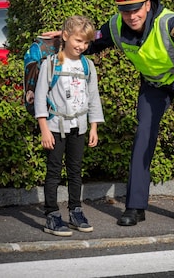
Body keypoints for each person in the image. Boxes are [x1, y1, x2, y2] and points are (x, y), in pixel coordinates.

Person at [44, 0, 174, 226]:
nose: (131, 16)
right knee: (143, 135)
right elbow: (92, 42)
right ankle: (135, 207)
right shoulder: (116, 26)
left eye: (136, 9)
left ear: (147, 5)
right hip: (154, 84)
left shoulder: (168, 22)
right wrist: (64, 41)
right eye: (125, 11)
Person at [35, 15, 105, 236]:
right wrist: (44, 128)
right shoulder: (51, 63)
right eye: (78, 41)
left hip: (79, 127)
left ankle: (75, 210)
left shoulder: (87, 65)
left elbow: (93, 97)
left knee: (75, 171)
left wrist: (93, 126)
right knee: (54, 172)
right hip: (55, 127)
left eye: (86, 43)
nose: (82, 46)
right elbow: (39, 97)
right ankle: (52, 215)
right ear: (65, 36)